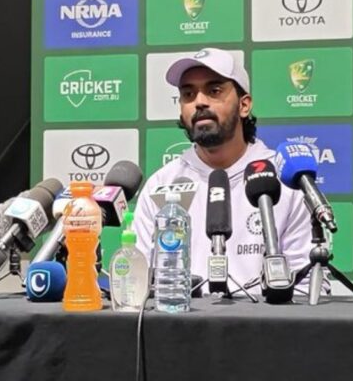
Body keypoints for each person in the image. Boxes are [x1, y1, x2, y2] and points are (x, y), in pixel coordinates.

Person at [133, 47, 316, 294]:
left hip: (267, 328)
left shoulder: (286, 180)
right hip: (178, 325)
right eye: (188, 94)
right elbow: (140, 282)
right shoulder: (162, 184)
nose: (199, 102)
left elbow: (307, 284)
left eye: (214, 91)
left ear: (244, 105)